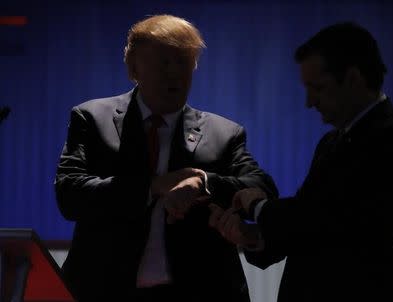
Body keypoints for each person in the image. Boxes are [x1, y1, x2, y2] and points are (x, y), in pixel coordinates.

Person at [54, 14, 278, 302]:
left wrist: (203, 182)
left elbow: (262, 188)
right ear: (133, 67)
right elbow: (69, 194)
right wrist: (153, 186)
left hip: (199, 291)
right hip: (106, 289)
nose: (174, 72)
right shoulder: (92, 119)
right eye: (163, 61)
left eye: (183, 62)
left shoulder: (224, 133)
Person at [209, 22, 393, 302]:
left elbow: (328, 220)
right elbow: (310, 228)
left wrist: (258, 206)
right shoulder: (332, 142)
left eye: (317, 88)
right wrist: (252, 237)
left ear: (352, 78)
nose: (309, 102)